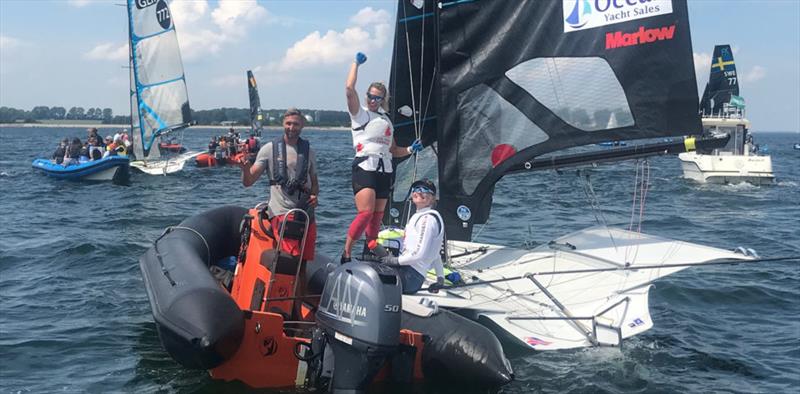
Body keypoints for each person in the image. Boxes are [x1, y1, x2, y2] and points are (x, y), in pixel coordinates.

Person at [342, 51, 422, 263]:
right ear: (366, 95)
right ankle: (347, 252)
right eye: (370, 96)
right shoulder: (360, 114)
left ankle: (372, 245)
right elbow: (349, 90)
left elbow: (393, 150)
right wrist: (355, 64)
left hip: (384, 170)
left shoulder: (386, 120)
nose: (372, 100)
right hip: (365, 167)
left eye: (377, 97)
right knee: (366, 212)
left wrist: (411, 150)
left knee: (377, 217)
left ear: (382, 99)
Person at [239, 108, 319, 315]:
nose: (292, 128)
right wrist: (244, 168)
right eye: (288, 124)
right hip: (283, 213)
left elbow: (314, 181)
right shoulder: (268, 149)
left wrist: (315, 197)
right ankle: (282, 309)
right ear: (283, 124)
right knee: (290, 263)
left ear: (302, 126)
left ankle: (298, 307)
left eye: (296, 124)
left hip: (306, 213)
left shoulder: (308, 151)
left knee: (302, 265)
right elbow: (249, 182)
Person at [378, 179, 445, 294]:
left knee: (370, 273)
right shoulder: (422, 215)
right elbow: (435, 253)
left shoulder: (427, 220)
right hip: (410, 274)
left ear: (432, 198)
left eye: (424, 190)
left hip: (411, 276)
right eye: (416, 189)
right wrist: (440, 278)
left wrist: (395, 261)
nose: (419, 192)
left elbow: (419, 254)